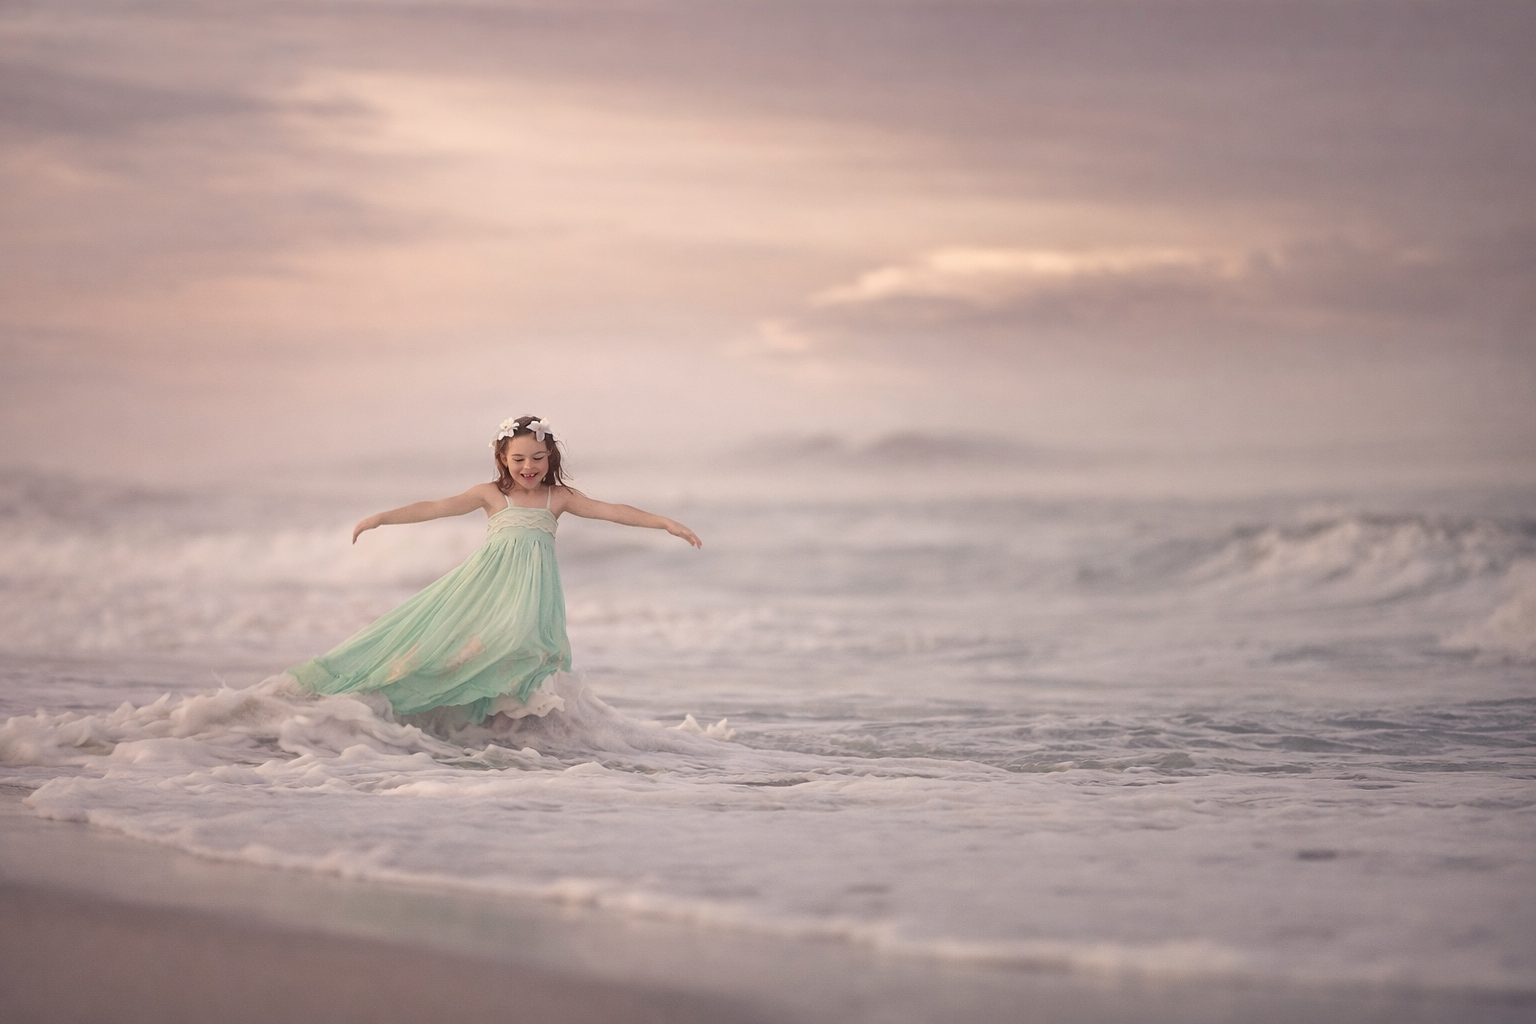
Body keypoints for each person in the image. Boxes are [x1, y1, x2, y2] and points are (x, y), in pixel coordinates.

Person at [287, 415, 701, 727]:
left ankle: (504, 724)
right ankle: (408, 697)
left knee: (530, 644)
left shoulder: (558, 497)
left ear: (550, 458)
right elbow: (434, 507)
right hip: (486, 584)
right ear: (502, 458)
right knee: (464, 642)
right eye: (518, 458)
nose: (529, 466)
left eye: (538, 458)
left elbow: (612, 511)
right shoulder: (490, 495)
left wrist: (664, 522)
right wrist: (382, 518)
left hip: (533, 592)